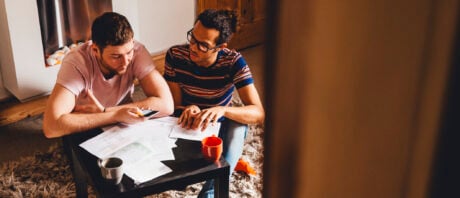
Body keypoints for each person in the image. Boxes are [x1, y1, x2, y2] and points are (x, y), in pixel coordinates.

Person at [163, 9, 265, 197]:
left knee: (237, 126)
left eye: (203, 45)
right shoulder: (175, 56)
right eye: (192, 38)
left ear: (220, 47)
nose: (193, 47)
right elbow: (173, 106)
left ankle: (210, 193)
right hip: (189, 122)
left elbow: (258, 113)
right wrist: (187, 109)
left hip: (220, 124)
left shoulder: (234, 62)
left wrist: (223, 110)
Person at [43, 12, 174, 138]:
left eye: (129, 52)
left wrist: (107, 111)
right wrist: (114, 115)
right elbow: (51, 127)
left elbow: (166, 104)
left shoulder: (137, 51)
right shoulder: (76, 63)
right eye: (116, 56)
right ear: (95, 50)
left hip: (124, 123)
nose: (125, 62)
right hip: (84, 124)